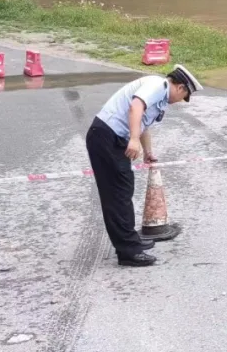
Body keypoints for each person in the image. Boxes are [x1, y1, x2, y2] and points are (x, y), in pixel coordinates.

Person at [86, 65, 202, 267]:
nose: (179, 102)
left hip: (113, 138)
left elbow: (143, 125)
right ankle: (128, 252)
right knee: (117, 195)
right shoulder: (157, 84)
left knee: (124, 190)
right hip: (106, 136)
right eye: (183, 96)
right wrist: (133, 139)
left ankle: (131, 240)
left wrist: (147, 151)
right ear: (181, 88)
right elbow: (136, 107)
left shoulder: (160, 97)